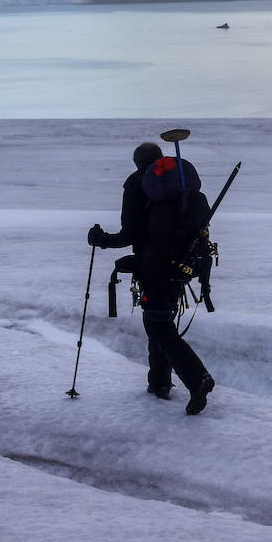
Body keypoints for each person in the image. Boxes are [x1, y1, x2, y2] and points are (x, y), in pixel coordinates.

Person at [88, 141, 216, 415]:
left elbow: (130, 234)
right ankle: (159, 384)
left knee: (159, 327)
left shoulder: (138, 185)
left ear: (138, 163)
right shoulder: (181, 184)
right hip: (185, 265)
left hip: (156, 267)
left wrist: (102, 240)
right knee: (158, 319)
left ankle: (197, 379)